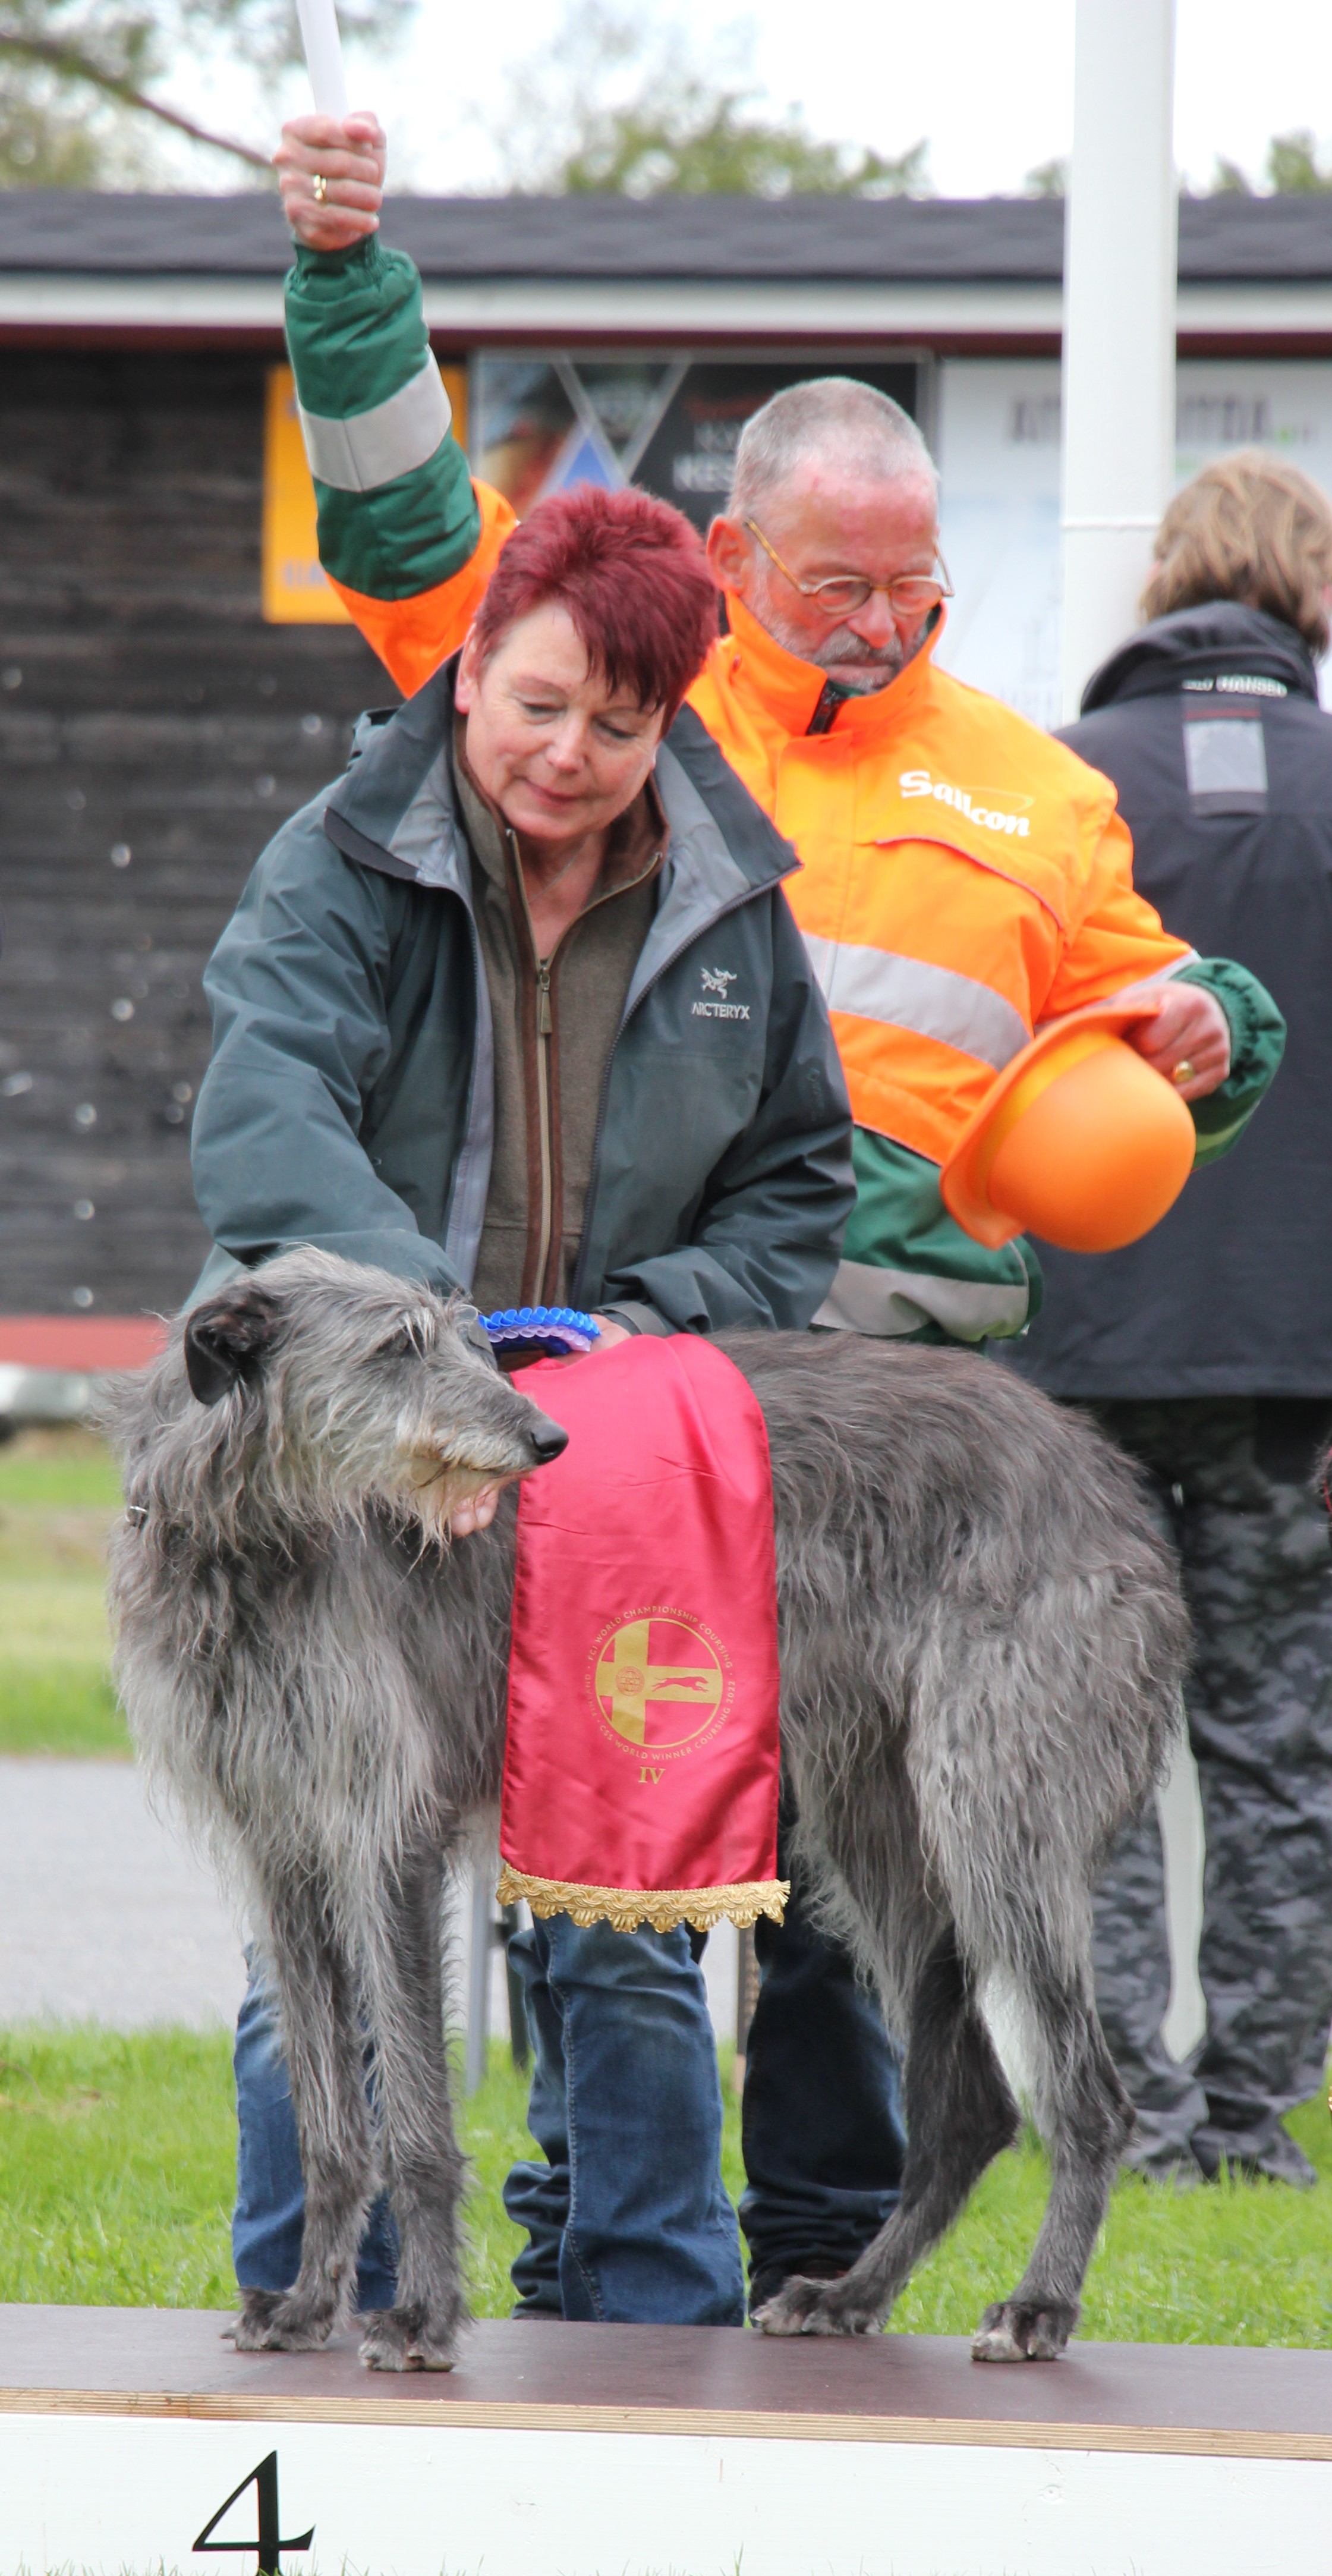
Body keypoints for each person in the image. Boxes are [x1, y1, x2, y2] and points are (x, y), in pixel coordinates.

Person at [268, 112, 1281, 2307]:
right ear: (734, 562)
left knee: (849, 1900)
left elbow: (1155, 1005)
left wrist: (1215, 1022)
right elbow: (404, 529)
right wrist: (352, 275)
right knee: (599, 1820)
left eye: (917, 584)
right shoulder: (625, 697)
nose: (888, 619)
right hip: (615, 1377)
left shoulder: (1030, 778)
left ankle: (829, 2269)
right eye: (843, 583)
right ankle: (584, 2253)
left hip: (897, 1402)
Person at [194, 476, 856, 2330]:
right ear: (470, 664)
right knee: (321, 1930)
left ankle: (650, 2326)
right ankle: (304, 2313)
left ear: (673, 722)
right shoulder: (338, 855)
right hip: (350, 1459)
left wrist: (639, 1336)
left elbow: (801, 1176)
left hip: (613, 1451)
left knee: (625, 1915)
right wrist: (434, 1358)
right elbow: (264, 1119)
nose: (567, 755)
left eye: (619, 724)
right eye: (537, 702)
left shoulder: (732, 902)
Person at [1007, 451, 1332, 2188]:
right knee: (1282, 1741)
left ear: (1165, 587)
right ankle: (1260, 2121)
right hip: (1303, 1370)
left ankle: (1125, 2112)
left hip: (1080, 1360)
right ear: (1310, 594)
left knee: (1099, 1741)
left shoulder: (1059, 789)